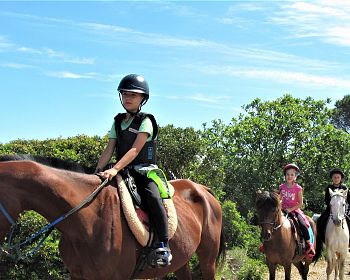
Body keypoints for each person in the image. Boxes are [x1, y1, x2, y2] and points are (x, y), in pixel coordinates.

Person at [95, 74, 172, 267]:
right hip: (123, 170)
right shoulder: (117, 121)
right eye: (125, 94)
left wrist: (115, 169)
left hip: (144, 170)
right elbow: (109, 148)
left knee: (152, 196)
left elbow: (135, 149)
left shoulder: (146, 121)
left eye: (133, 95)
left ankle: (163, 244)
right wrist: (98, 170)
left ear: (142, 99)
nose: (128, 98)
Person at [279, 163, 315, 257]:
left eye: (292, 175)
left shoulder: (298, 188)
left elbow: (300, 203)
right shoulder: (281, 187)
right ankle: (266, 244)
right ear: (285, 176)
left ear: (295, 176)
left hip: (294, 210)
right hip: (282, 210)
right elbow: (279, 199)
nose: (289, 176)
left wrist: (290, 209)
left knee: (302, 224)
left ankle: (308, 244)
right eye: (287, 174)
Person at [316, 168, 350, 245]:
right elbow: (326, 200)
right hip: (330, 210)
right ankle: (321, 237)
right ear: (332, 178)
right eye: (334, 177)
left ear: (341, 178)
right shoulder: (328, 188)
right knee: (320, 220)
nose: (336, 179)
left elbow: (349, 200)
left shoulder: (344, 188)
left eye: (338, 177)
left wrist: (348, 211)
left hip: (342, 211)